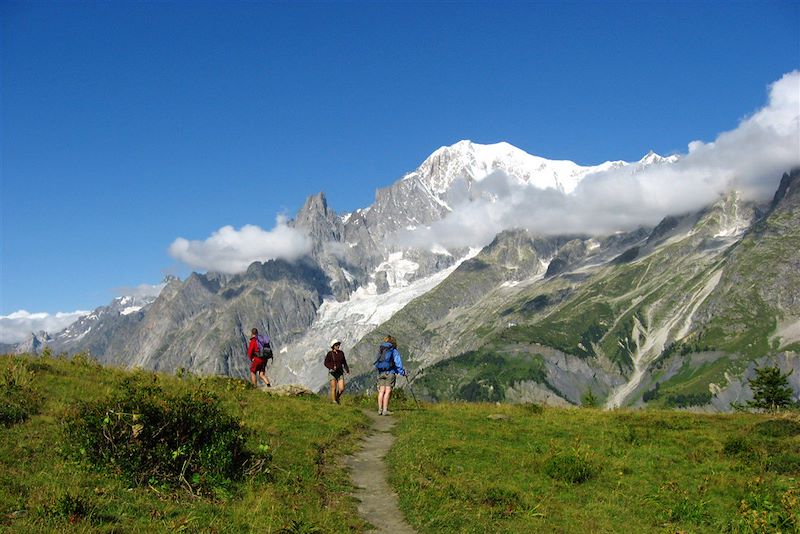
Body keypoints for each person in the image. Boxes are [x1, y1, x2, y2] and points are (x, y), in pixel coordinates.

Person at [374, 335, 406, 416]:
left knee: (381, 391)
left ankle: (379, 410)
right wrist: (402, 372)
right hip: (390, 372)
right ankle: (385, 410)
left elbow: (378, 360)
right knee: (387, 391)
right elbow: (398, 363)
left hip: (381, 372)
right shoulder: (393, 350)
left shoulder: (382, 349)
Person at [324, 339, 350, 404]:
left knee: (341, 388)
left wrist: (347, 370)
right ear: (333, 346)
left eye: (338, 344)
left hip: (340, 372)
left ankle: (337, 397)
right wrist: (332, 367)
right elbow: (326, 363)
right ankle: (334, 402)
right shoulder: (330, 354)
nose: (338, 346)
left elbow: (344, 362)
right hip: (332, 373)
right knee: (334, 388)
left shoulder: (341, 353)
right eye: (336, 345)